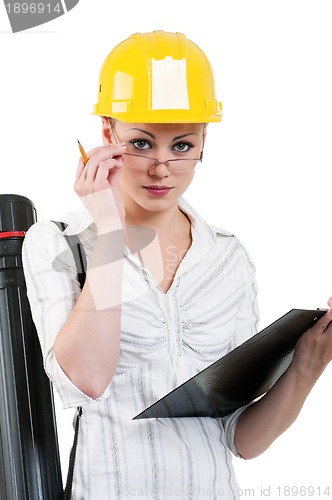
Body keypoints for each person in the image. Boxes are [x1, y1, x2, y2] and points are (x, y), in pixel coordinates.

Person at [22, 30, 332, 500]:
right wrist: (108, 230)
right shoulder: (59, 242)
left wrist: (307, 365)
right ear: (108, 134)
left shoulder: (229, 258)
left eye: (182, 145)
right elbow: (87, 379)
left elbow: (240, 439)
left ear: (204, 141)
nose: (161, 166)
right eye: (142, 143)